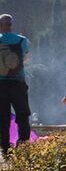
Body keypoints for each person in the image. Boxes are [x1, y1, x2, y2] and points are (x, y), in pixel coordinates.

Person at [0, 14, 31, 154]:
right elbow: (25, 58)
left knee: (3, 117)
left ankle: (5, 147)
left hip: (1, 85)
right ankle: (23, 145)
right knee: (22, 115)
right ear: (11, 25)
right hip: (18, 83)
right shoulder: (22, 41)